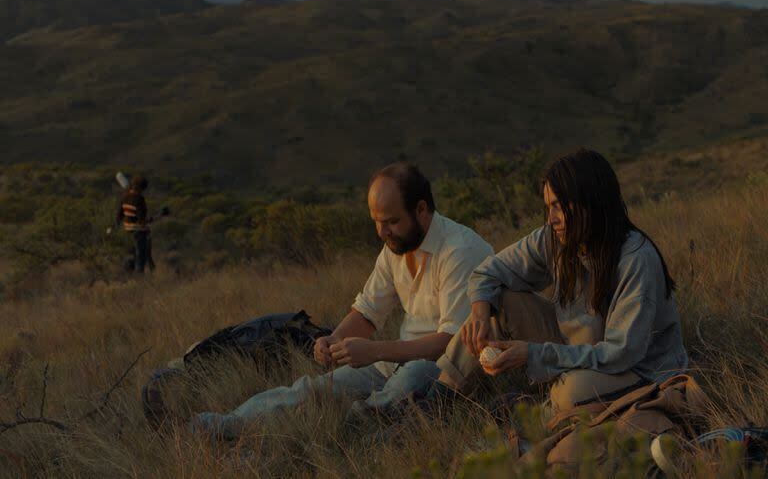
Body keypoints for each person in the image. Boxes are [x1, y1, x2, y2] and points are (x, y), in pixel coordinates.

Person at [189, 162, 493, 439]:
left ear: (421, 208)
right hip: (394, 361)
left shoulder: (459, 251)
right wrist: (332, 340)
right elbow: (368, 313)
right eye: (376, 221)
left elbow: (451, 343)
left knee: (407, 381)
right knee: (313, 389)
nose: (382, 232)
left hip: (445, 370)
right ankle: (229, 425)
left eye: (391, 221)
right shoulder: (395, 248)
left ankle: (338, 437)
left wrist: (374, 350)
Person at [427, 149, 689, 413]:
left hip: (637, 369)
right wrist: (480, 311)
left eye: (559, 207)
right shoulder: (553, 238)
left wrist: (533, 354)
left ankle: (536, 410)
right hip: (577, 349)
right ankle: (437, 399)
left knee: (572, 393)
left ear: (592, 202)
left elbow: (621, 354)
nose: (551, 219)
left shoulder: (635, 259)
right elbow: (488, 272)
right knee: (498, 303)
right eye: (548, 207)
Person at [116, 174, 154, 273]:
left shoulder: (124, 197)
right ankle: (139, 281)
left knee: (129, 257)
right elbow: (141, 219)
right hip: (139, 233)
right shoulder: (140, 199)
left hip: (127, 232)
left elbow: (119, 216)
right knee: (140, 258)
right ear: (142, 188)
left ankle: (127, 278)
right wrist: (149, 221)